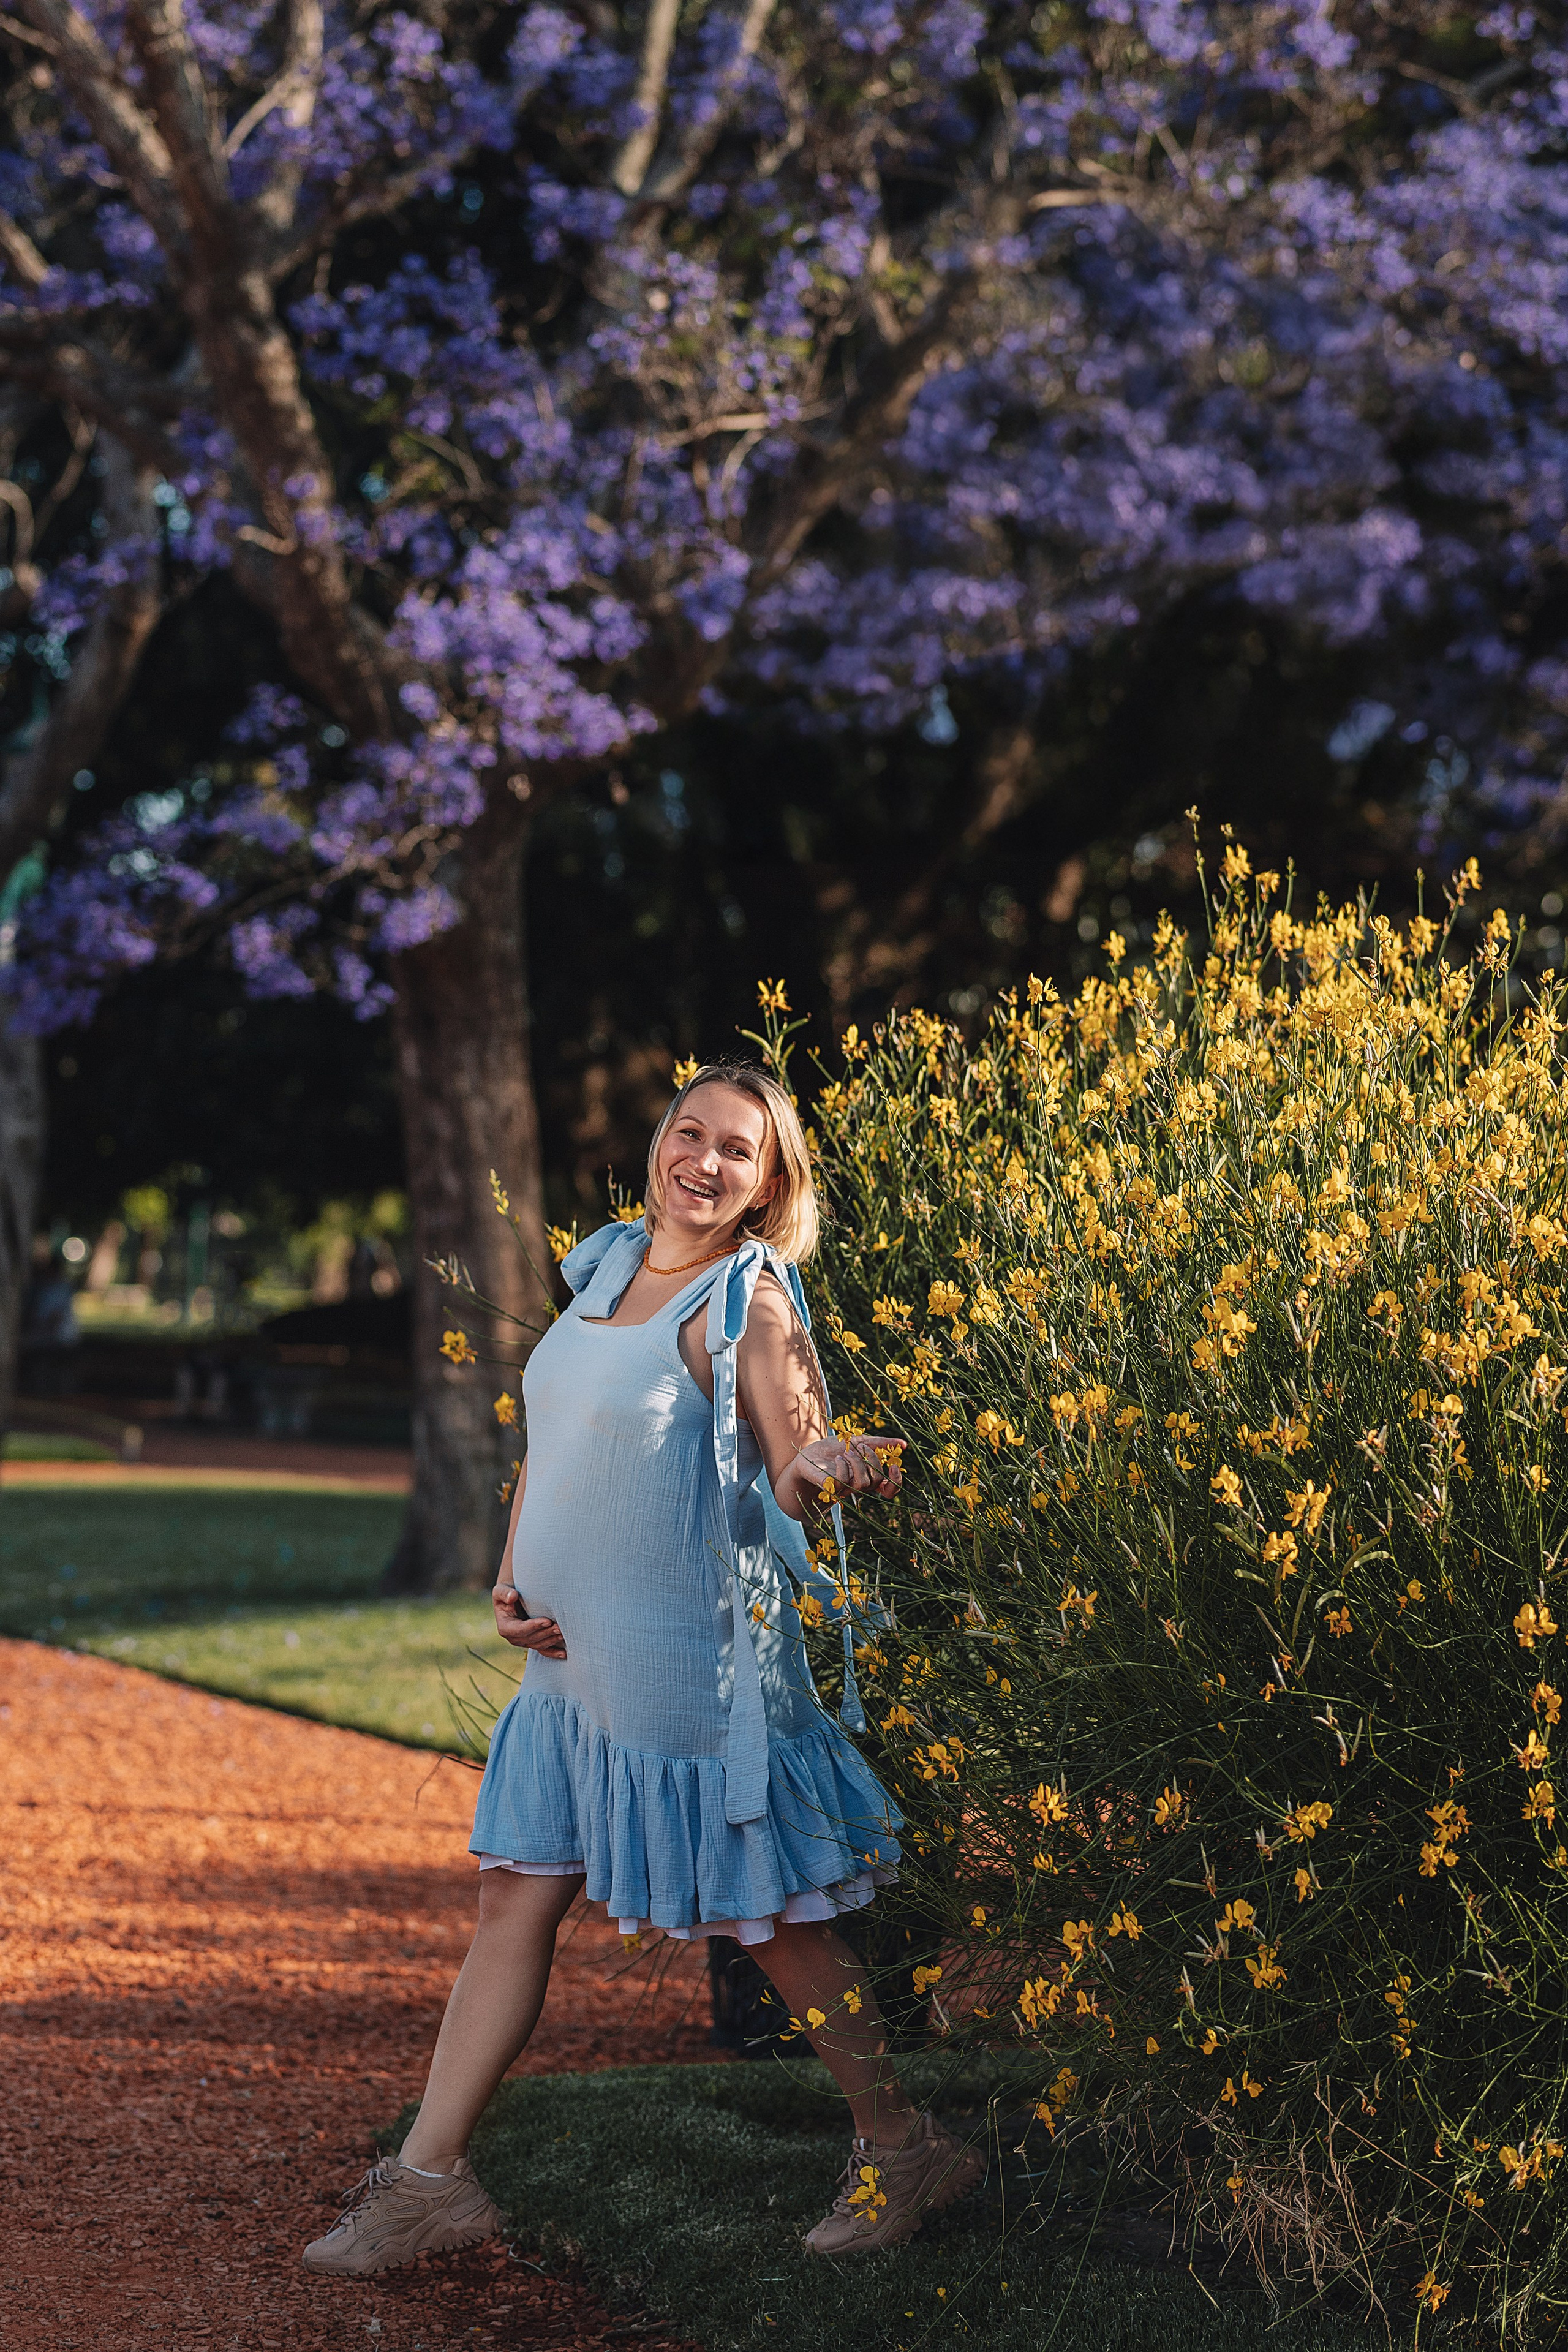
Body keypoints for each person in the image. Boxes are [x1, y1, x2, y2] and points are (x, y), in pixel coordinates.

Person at [303, 1063, 983, 2277]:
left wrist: (831, 1467)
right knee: (513, 1900)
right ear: (657, 1144)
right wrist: (512, 1579)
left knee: (773, 1921)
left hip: (687, 1676)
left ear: (770, 1184)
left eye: (738, 1150)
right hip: (565, 1676)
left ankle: (901, 2143)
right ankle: (429, 2181)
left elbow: (787, 1465)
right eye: (690, 1134)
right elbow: (550, 1440)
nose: (704, 1162)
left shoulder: (747, 1302)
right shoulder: (607, 1270)